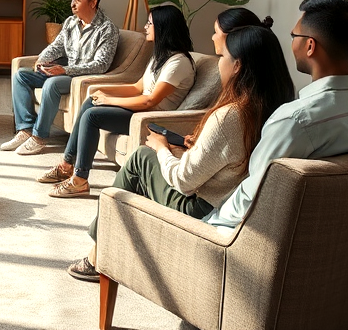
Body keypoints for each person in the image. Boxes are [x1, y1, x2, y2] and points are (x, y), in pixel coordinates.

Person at [67, 24, 295, 282]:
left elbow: (184, 182)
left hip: (202, 208)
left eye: (223, 58)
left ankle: (99, 254)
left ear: (238, 66)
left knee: (141, 158)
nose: (219, 64)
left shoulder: (230, 116)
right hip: (230, 197)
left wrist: (162, 148)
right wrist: (191, 149)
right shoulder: (278, 109)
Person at [204, 0, 348, 230]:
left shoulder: (295, 120)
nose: (291, 42)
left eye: (294, 36)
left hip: (253, 239)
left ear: (310, 46)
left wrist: (206, 222)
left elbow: (250, 200)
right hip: (341, 231)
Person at [38, 5, 196, 197]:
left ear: (163, 28)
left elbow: (150, 101)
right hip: (139, 110)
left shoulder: (178, 63)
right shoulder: (161, 57)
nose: (145, 27)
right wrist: (100, 91)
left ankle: (80, 180)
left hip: (151, 118)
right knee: (90, 102)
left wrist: (109, 100)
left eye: (150, 23)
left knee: (92, 116)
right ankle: (66, 165)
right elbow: (138, 87)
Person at [5, 0, 119, 154]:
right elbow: (56, 47)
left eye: (77, 0)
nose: (72, 4)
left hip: (81, 78)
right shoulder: (71, 22)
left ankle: (39, 137)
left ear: (93, 2)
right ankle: (26, 129)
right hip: (65, 71)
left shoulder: (107, 29)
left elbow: (101, 65)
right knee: (21, 75)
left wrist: (65, 70)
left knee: (52, 84)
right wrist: (42, 60)